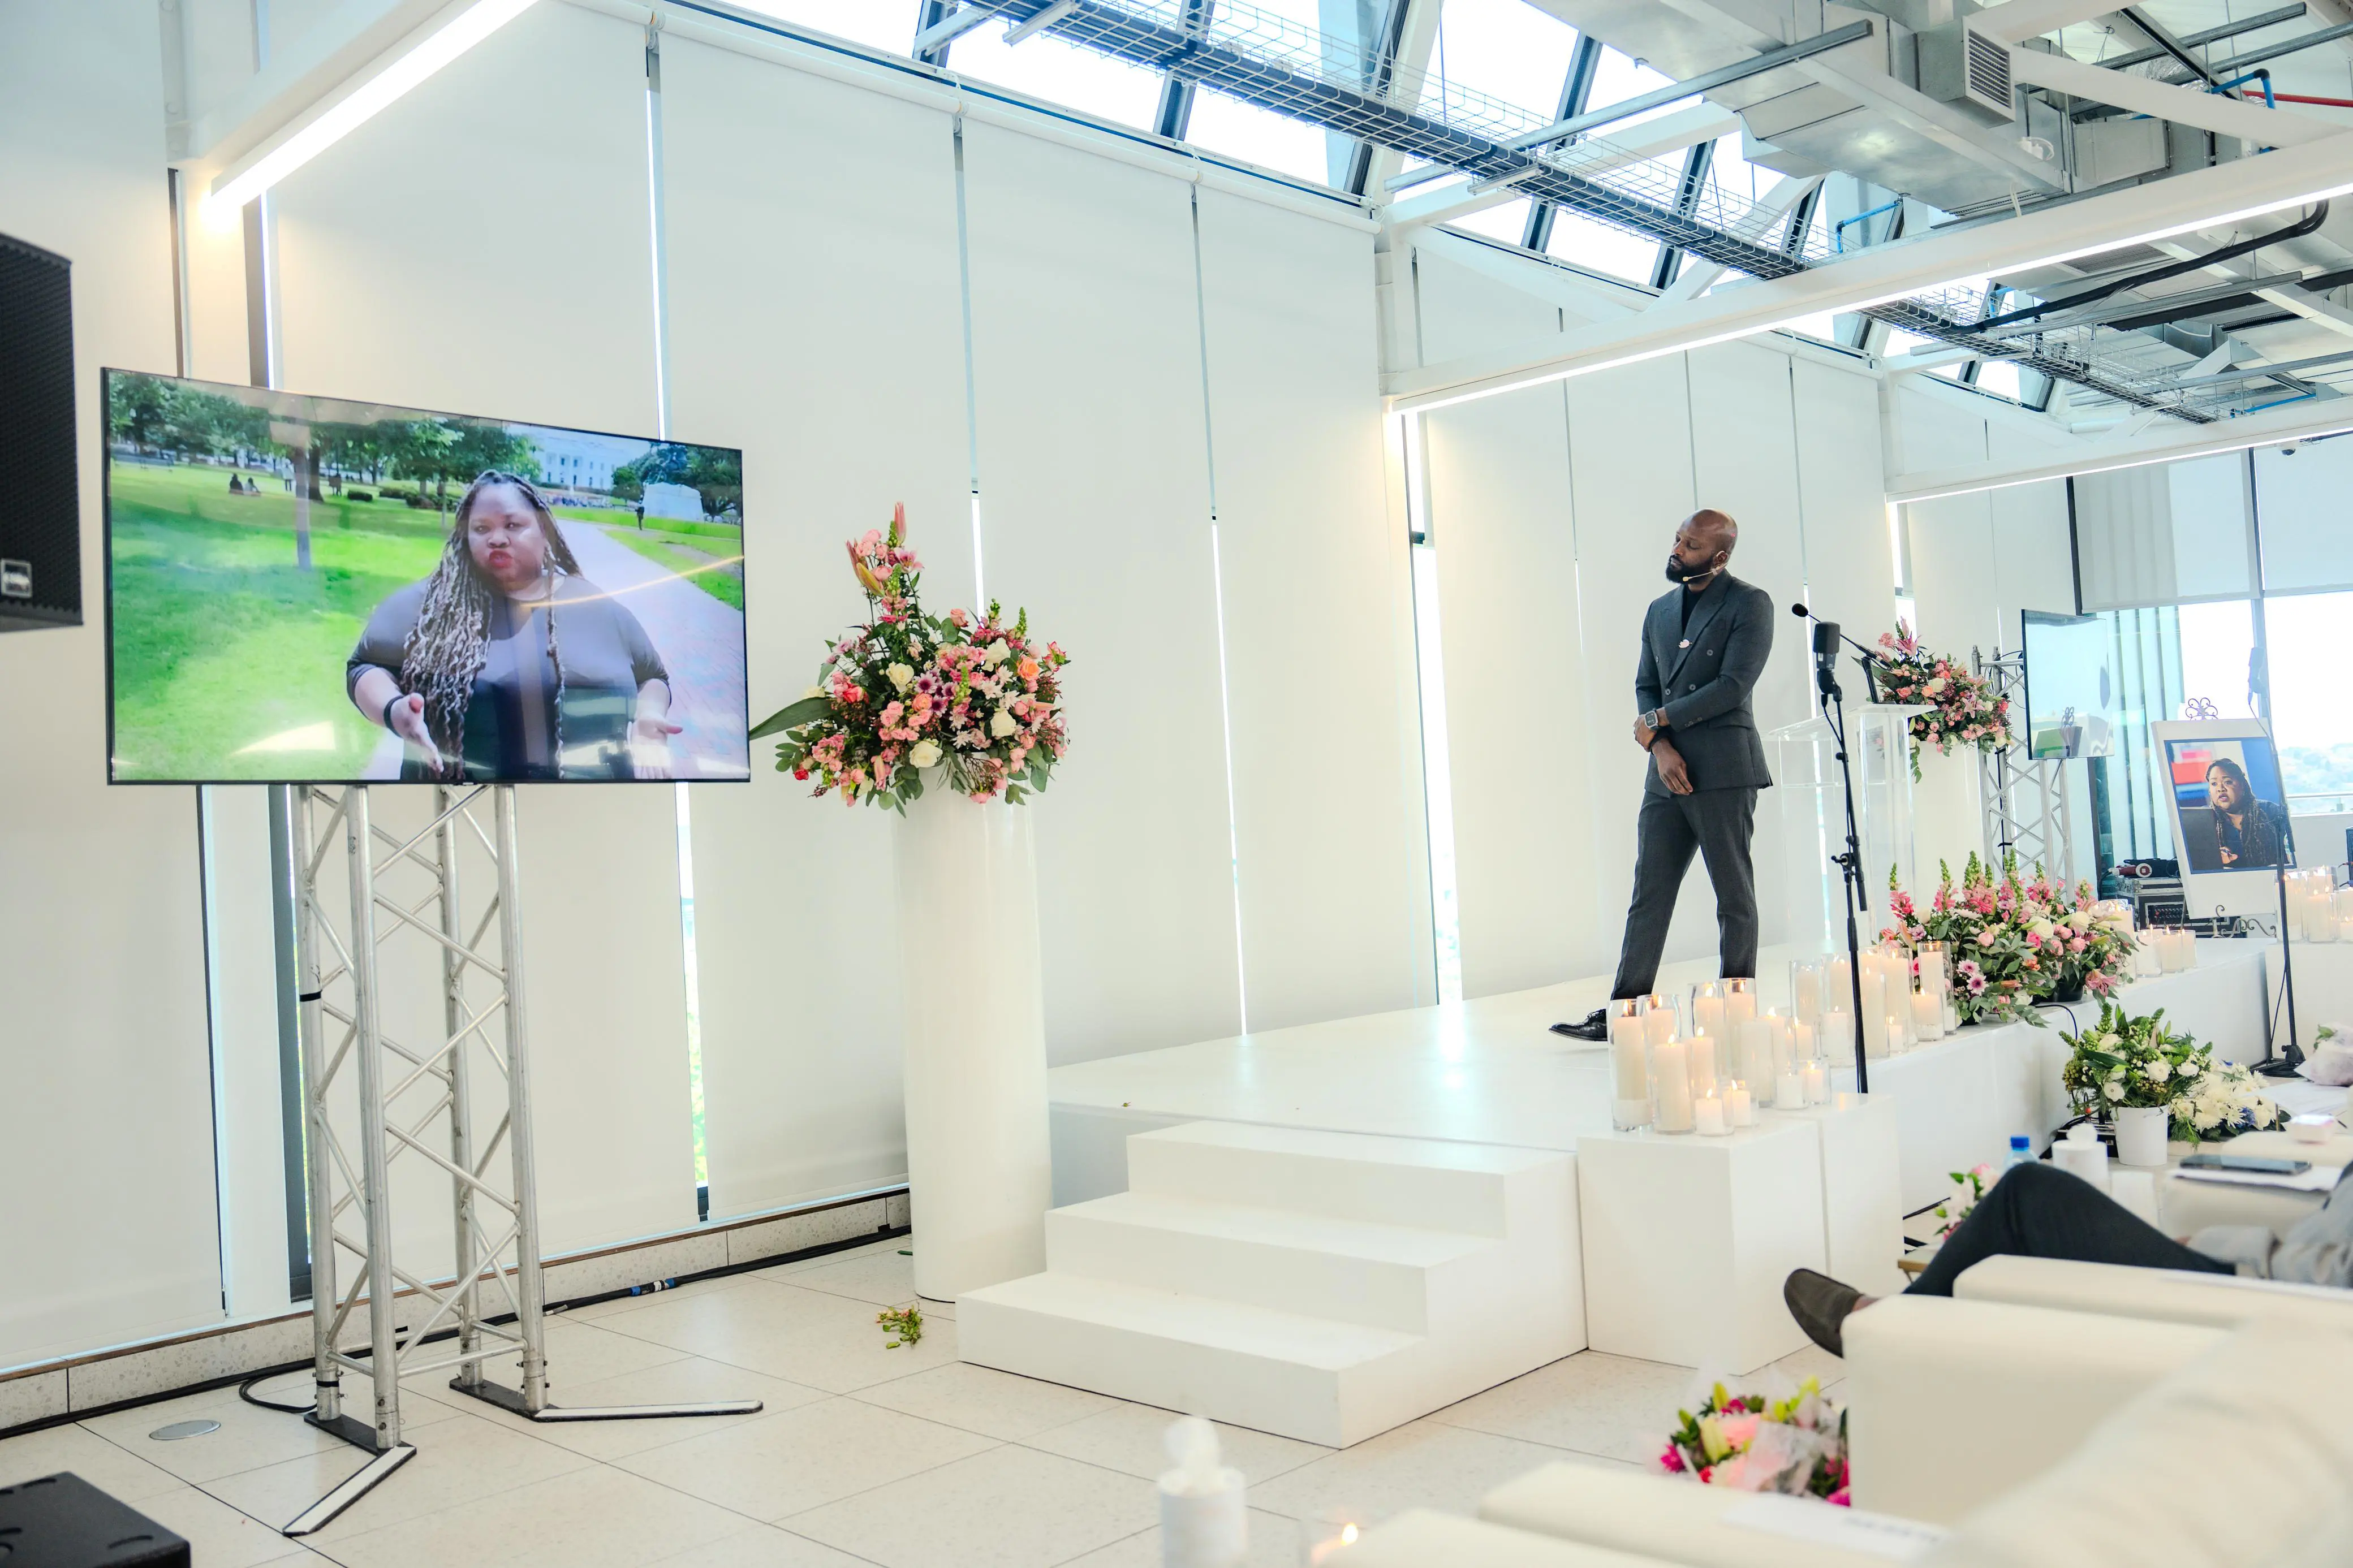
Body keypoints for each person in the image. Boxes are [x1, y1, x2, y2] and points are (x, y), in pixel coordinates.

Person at [1559, 510, 1777, 1040]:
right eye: (1678, 538)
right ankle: (1625, 1013)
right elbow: (1645, 683)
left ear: (1720, 556)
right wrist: (1659, 746)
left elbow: (1732, 685)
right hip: (1667, 770)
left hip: (1725, 771)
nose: (1678, 549)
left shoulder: (1750, 603)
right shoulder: (1659, 610)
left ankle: (1736, 1005)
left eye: (1692, 544)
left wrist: (1657, 721)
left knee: (1733, 895)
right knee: (1649, 892)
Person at [1783, 1160, 2353, 1356]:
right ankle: (1909, 1341)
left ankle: (1884, 1328)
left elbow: (2337, 1275)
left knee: (2027, 1195)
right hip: (2280, 1267)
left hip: (2278, 1298)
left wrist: (2225, 1249)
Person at [348, 469, 682, 782]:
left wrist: (649, 718)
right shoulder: (427, 604)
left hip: (595, 812)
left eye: (513, 525)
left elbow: (652, 677)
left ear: (544, 531)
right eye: (481, 529)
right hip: (460, 813)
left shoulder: (592, 605)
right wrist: (394, 712)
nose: (497, 539)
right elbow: (365, 666)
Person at [2207, 756, 2290, 869]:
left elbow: (2292, 856)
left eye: (2228, 782)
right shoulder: (2205, 819)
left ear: (2243, 785)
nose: (2220, 789)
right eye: (2214, 784)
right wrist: (2215, 857)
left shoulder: (2271, 812)